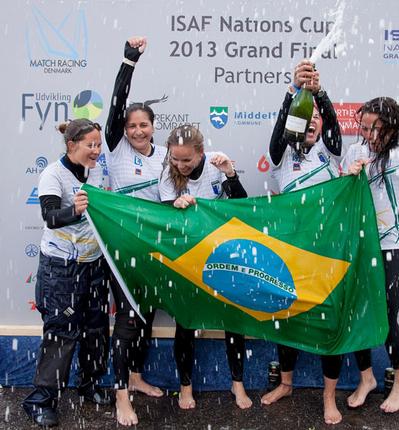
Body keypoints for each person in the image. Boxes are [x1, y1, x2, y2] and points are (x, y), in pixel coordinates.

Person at [343, 44, 399, 413]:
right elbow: (342, 202)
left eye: (372, 127)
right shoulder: (354, 153)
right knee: (357, 313)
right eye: (362, 127)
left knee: (384, 314)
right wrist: (346, 178)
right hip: (362, 244)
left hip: (397, 245)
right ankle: (365, 376)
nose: (366, 134)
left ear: (391, 126)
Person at [261, 60, 345, 425]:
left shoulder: (331, 152)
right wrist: (293, 92)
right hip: (290, 254)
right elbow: (280, 130)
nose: (311, 124)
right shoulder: (281, 158)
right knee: (286, 320)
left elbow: (334, 130)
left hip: (326, 256)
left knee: (328, 324)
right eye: (304, 120)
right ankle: (287, 384)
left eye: (317, 121)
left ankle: (329, 397)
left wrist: (319, 94)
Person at [22, 119, 112, 427]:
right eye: (90, 145)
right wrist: (73, 210)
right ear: (72, 145)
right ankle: (41, 400)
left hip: (94, 263)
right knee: (62, 331)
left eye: (99, 144)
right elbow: (49, 217)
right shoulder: (53, 174)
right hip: (62, 268)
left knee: (97, 328)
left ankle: (89, 384)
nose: (97, 151)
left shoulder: (99, 169)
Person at [158, 124, 252, 410]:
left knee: (233, 322)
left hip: (223, 258)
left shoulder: (216, 163)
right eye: (175, 159)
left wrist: (230, 174)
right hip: (188, 261)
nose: (180, 165)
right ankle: (185, 386)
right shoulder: (167, 174)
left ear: (200, 153)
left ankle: (238, 384)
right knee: (185, 324)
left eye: (186, 160)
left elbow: (242, 204)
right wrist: (175, 205)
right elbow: (162, 222)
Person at [105, 36, 166, 426]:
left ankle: (137, 376)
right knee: (127, 319)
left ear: (154, 126)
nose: (137, 131)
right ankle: (120, 395)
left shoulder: (165, 156)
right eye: (131, 125)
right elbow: (115, 104)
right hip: (121, 249)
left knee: (145, 316)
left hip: (155, 249)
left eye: (143, 125)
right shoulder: (114, 148)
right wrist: (129, 61)